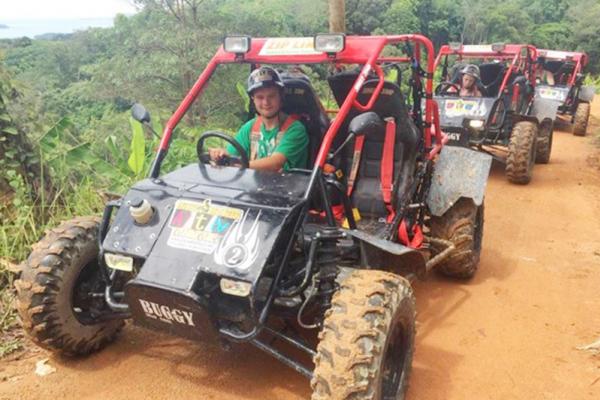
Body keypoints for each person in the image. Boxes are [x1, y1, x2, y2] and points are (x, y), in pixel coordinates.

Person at [209, 67, 309, 172]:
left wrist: (239, 166)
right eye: (260, 97)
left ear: (280, 96)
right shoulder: (250, 127)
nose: (266, 102)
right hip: (253, 182)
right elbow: (231, 153)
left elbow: (276, 163)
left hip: (287, 182)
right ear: (253, 99)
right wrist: (220, 155)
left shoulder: (295, 129)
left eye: (271, 96)